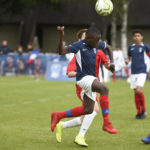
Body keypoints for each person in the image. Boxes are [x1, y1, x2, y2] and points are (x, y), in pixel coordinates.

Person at [51, 26, 116, 147]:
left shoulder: (97, 45)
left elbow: (108, 47)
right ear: (88, 39)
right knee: (105, 89)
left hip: (92, 80)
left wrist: (111, 64)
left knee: (89, 110)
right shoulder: (78, 46)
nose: (98, 43)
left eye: (99, 41)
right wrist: (61, 36)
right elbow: (61, 52)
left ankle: (59, 116)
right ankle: (106, 122)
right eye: (96, 41)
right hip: (83, 79)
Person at [125, 29, 150, 119]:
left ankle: (144, 110)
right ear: (133, 37)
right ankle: (138, 112)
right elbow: (128, 57)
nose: (137, 37)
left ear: (142, 37)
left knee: (139, 90)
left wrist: (149, 70)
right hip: (133, 72)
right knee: (135, 92)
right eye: (135, 36)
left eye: (138, 36)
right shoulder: (131, 47)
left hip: (142, 72)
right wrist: (126, 62)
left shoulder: (145, 47)